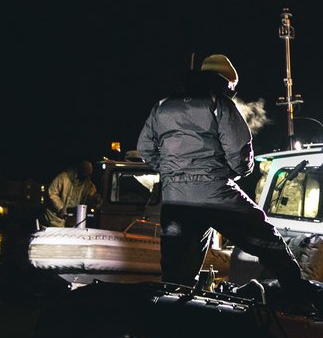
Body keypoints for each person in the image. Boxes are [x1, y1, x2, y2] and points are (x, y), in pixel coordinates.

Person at [136, 54, 304, 292]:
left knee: (177, 267)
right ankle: (298, 289)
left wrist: (172, 173)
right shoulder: (219, 103)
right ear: (225, 81)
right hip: (215, 193)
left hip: (175, 199)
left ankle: (174, 312)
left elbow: (144, 148)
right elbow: (239, 151)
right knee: (266, 238)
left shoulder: (163, 105)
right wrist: (235, 172)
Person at [41, 160, 101, 227]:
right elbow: (52, 193)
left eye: (87, 175)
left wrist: (96, 199)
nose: (84, 177)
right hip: (54, 220)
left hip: (70, 221)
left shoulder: (87, 184)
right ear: (78, 171)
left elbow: (93, 196)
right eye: (83, 174)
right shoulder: (63, 177)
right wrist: (60, 208)